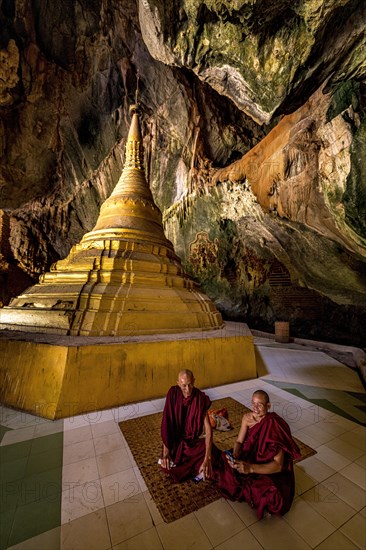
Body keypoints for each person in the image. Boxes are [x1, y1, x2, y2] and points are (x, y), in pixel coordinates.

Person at [214, 390, 301, 519]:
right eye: (253, 403)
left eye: (260, 405)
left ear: (268, 406)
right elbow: (239, 441)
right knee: (223, 461)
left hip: (266, 466)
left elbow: (277, 466)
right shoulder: (247, 418)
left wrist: (250, 468)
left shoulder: (274, 425)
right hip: (249, 456)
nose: (255, 408)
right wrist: (236, 453)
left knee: (273, 495)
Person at [160, 369, 217, 482]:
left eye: (190, 385)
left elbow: (209, 431)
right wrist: (166, 453)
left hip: (190, 442)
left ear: (194, 381)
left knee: (213, 452)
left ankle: (199, 464)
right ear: (178, 383)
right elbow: (167, 425)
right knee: (168, 462)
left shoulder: (200, 398)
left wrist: (207, 459)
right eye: (184, 386)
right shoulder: (173, 393)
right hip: (174, 442)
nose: (187, 389)